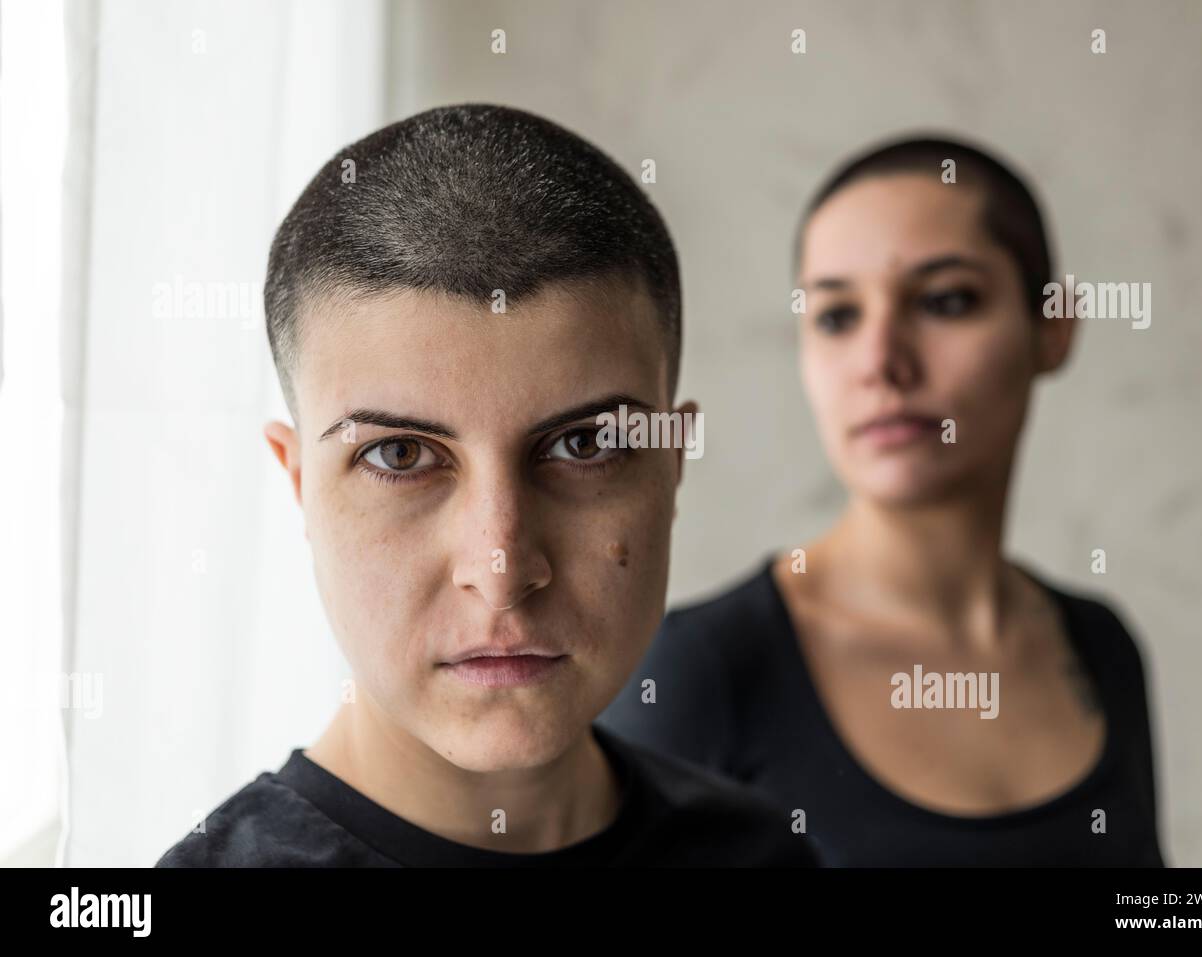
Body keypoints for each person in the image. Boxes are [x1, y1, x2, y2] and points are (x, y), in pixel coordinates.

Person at [156, 104, 819, 868]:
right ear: (300, 484)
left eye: (585, 443)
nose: (502, 571)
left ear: (671, 463)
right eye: (400, 455)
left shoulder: (761, 853)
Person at [598, 135, 1166, 867]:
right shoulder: (703, 673)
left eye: (945, 300)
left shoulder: (1099, 647)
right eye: (837, 316)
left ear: (1053, 328)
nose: (880, 362)